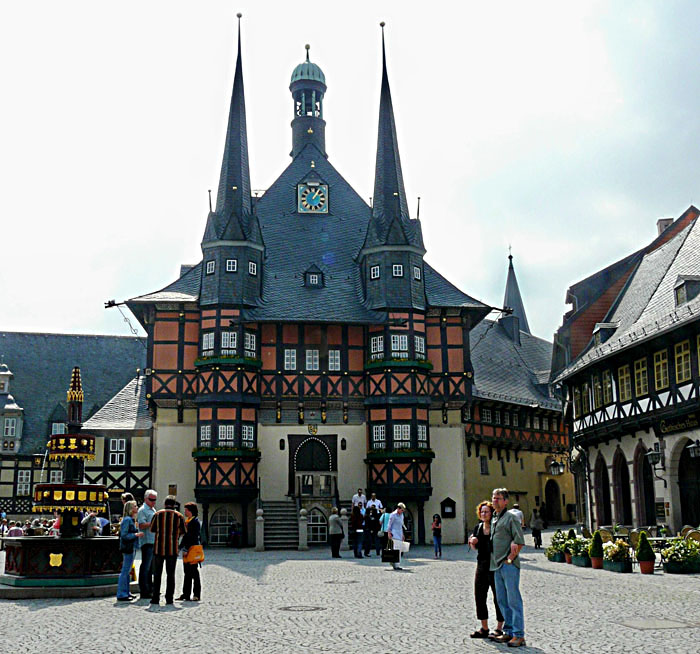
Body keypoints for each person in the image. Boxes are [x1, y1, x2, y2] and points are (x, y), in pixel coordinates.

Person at [490, 488, 526, 648]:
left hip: (508, 565)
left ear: (506, 501)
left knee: (513, 600)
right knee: (502, 601)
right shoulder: (494, 518)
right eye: (493, 498)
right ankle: (509, 631)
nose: (495, 501)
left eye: (498, 498)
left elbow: (519, 541)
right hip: (496, 565)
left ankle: (519, 634)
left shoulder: (511, 518)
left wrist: (510, 559)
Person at [468, 501, 505, 639]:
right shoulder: (478, 528)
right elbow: (475, 548)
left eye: (487, 512)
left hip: (495, 566)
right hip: (482, 565)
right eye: (482, 512)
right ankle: (484, 628)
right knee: (479, 596)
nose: (484, 514)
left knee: (498, 597)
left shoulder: (496, 527)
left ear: (491, 513)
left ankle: (499, 628)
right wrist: (472, 543)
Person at [150, 494, 185, 606]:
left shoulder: (158, 514)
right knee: (171, 575)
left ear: (165, 504)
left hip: (158, 549)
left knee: (157, 574)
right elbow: (184, 531)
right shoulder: (179, 516)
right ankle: (169, 598)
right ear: (174, 505)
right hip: (172, 549)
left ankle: (155, 598)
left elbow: (152, 529)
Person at [117, 500, 142, 601]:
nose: (137, 508)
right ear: (131, 509)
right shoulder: (127, 520)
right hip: (128, 548)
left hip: (131, 547)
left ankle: (126, 592)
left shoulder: (130, 519)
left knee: (127, 571)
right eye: (135, 506)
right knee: (125, 571)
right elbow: (124, 535)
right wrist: (136, 534)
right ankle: (122, 593)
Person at [178, 502, 202, 602]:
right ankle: (186, 594)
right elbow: (185, 536)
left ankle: (196, 594)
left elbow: (192, 537)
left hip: (192, 549)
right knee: (187, 572)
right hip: (187, 549)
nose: (184, 512)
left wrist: (186, 549)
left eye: (186, 510)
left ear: (190, 511)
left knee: (194, 572)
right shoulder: (187, 521)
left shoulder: (195, 522)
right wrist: (179, 547)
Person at [137, 490, 157, 600]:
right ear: (146, 499)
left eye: (155, 500)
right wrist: (154, 522)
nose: (153, 502)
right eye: (151, 499)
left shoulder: (153, 509)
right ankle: (144, 591)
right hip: (147, 541)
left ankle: (150, 589)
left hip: (153, 541)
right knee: (145, 567)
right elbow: (141, 525)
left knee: (151, 568)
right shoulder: (142, 510)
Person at [387, 502, 406, 570]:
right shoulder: (393, 515)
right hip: (394, 533)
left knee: (399, 549)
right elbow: (389, 524)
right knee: (396, 548)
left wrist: (403, 534)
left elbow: (401, 525)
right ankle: (395, 564)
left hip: (400, 533)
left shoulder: (402, 515)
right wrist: (389, 532)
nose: (402, 512)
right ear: (398, 508)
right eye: (401, 510)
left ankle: (396, 564)